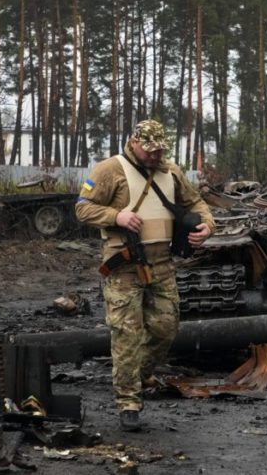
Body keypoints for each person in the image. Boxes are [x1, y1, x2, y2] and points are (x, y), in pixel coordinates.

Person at [75, 120, 214, 432]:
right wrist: (116, 216)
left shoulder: (171, 172)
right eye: (149, 150)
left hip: (162, 263)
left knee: (166, 327)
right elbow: (82, 208)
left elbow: (195, 203)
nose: (155, 156)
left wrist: (207, 225)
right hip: (123, 264)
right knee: (127, 333)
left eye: (160, 150)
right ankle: (128, 401)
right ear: (134, 142)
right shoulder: (108, 169)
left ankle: (136, 375)